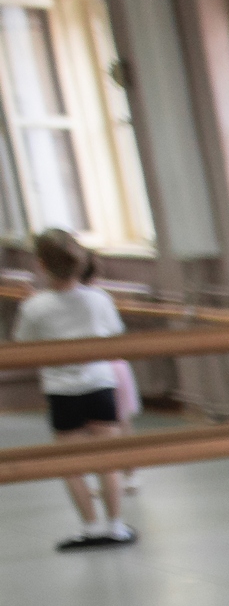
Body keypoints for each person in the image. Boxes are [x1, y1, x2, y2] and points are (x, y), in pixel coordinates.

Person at [15, 228, 134, 550]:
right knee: (107, 458)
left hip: (62, 391)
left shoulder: (35, 306)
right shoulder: (99, 299)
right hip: (99, 384)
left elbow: (23, 344)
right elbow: (114, 332)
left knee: (70, 464)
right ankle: (116, 525)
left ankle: (91, 527)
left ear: (41, 265)